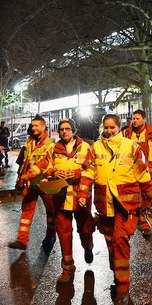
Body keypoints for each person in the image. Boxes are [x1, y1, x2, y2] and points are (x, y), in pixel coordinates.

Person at [80, 114, 152, 305]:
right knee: (112, 246)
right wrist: (83, 193)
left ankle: (123, 288)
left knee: (120, 242)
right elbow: (88, 172)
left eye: (112, 128)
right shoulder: (96, 148)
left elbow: (143, 176)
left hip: (126, 207)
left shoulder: (131, 147)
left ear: (118, 127)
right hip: (104, 205)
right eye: (106, 128)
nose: (108, 131)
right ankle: (118, 275)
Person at [44, 119, 94, 284]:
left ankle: (88, 246)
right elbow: (46, 168)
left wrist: (76, 174)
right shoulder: (52, 148)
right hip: (60, 196)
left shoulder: (85, 147)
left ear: (74, 130)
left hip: (80, 196)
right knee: (64, 233)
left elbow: (91, 170)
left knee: (85, 228)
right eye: (61, 129)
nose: (64, 132)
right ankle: (67, 267)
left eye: (67, 129)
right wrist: (54, 173)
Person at [8, 115, 57, 253]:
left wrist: (26, 176)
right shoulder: (29, 142)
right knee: (26, 211)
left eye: (36, 125)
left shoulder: (50, 143)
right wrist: (20, 177)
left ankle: (51, 236)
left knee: (51, 212)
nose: (33, 128)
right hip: (31, 184)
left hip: (45, 184)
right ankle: (22, 240)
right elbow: (25, 162)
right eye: (32, 125)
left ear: (43, 126)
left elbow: (44, 164)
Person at [122, 109, 152, 237]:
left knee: (147, 198)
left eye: (137, 118)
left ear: (144, 119)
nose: (134, 121)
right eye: (133, 119)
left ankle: (145, 224)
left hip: (149, 171)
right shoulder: (125, 133)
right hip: (131, 170)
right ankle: (134, 221)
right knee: (133, 196)